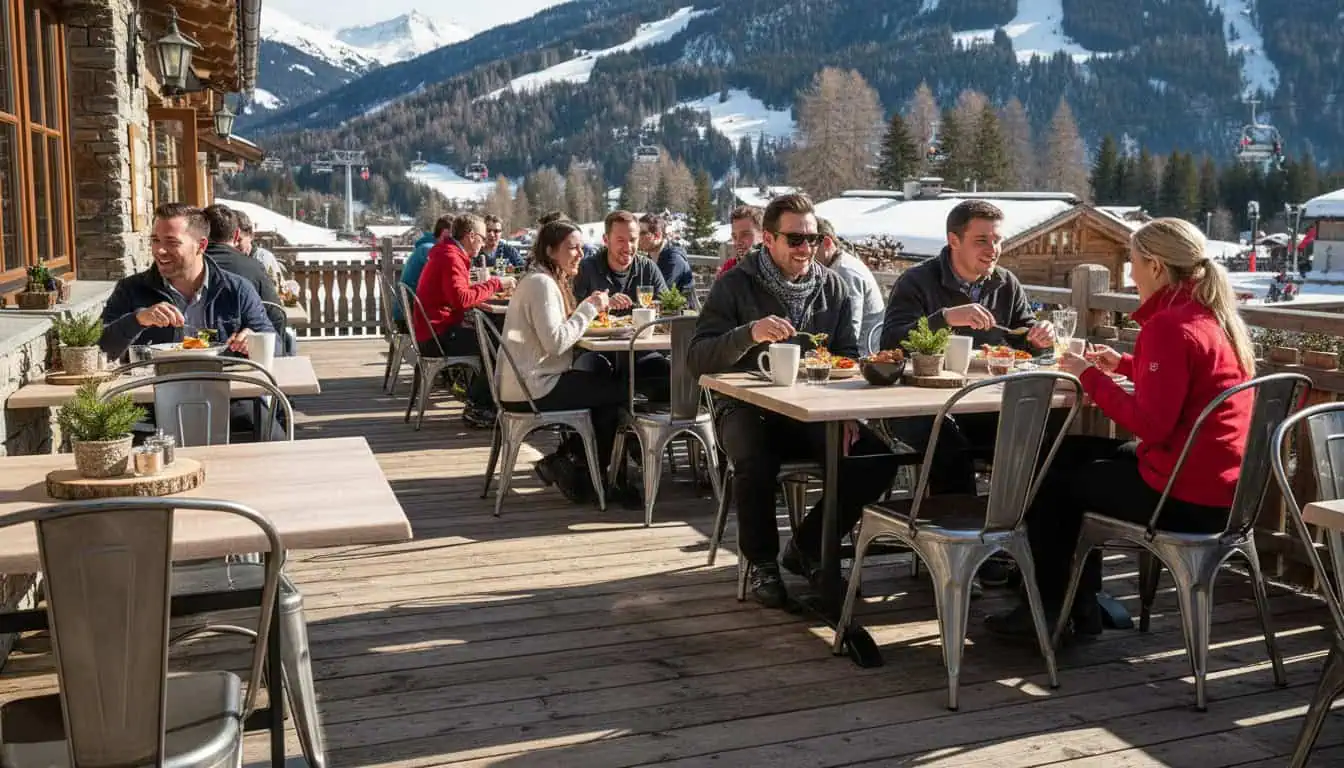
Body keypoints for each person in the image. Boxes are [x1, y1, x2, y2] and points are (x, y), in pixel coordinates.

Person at [988, 218, 1257, 640]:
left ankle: (1048, 612)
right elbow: (1186, 382)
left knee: (1052, 485)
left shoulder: (1168, 326)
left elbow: (1151, 426)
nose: (1130, 276)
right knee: (1065, 452)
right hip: (1221, 490)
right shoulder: (1211, 317)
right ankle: (1080, 605)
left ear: (1156, 266)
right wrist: (1126, 365)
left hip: (1182, 496)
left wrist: (1089, 376)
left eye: (1133, 263)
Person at [688, 193, 901, 609]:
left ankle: (807, 546)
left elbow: (846, 355)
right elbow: (698, 358)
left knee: (875, 458)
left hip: (813, 410)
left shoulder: (834, 287)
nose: (806, 248)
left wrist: (847, 412)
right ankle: (762, 562)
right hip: (746, 408)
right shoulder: (735, 285)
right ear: (768, 239)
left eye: (813, 238)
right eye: (796, 239)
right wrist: (749, 334)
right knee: (755, 458)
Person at [879, 200, 1055, 496]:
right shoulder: (917, 280)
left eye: (997, 240)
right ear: (954, 240)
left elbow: (1023, 336)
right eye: (981, 240)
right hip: (918, 404)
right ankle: (956, 524)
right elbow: (890, 345)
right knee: (948, 444)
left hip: (982, 401)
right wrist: (945, 318)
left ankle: (1020, 519)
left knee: (1038, 436)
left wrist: (1039, 337)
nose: (993, 249)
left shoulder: (1005, 282)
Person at [100, 203, 277, 439]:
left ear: (201, 245)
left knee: (274, 438)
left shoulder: (236, 289)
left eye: (171, 242)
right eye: (155, 240)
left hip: (229, 399)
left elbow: (275, 344)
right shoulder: (131, 290)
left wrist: (253, 339)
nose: (160, 250)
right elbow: (99, 349)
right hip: (149, 406)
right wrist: (137, 319)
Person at [497, 220, 630, 503]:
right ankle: (581, 468)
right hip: (534, 388)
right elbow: (556, 343)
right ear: (550, 251)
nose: (580, 254)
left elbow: (555, 332)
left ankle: (575, 464)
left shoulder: (540, 279)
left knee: (603, 380)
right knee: (621, 393)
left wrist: (587, 310)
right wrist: (589, 309)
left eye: (581, 247)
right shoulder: (542, 284)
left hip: (524, 383)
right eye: (572, 248)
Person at [412, 213, 517, 427]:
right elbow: (461, 299)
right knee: (499, 346)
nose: (484, 243)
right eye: (482, 237)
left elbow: (457, 295)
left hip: (432, 330)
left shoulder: (446, 252)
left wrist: (478, 293)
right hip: (437, 337)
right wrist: (496, 283)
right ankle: (478, 407)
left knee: (493, 337)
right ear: (470, 236)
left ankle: (473, 394)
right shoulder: (451, 257)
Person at [573, 210, 671, 402]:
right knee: (594, 376)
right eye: (620, 240)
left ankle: (645, 421)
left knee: (668, 374)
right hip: (594, 351)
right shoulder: (586, 269)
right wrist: (600, 304)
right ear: (606, 240)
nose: (628, 247)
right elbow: (570, 313)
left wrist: (654, 308)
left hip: (639, 352)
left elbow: (667, 307)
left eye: (632, 240)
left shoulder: (647, 268)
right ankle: (604, 421)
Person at [816, 218, 885, 356]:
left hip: (861, 356)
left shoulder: (845, 271)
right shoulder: (840, 265)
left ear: (826, 243)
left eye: (811, 242)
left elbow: (851, 330)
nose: (805, 250)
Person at [396, 213, 454, 332]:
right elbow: (446, 278)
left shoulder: (427, 246)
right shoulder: (429, 249)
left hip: (409, 310)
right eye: (455, 235)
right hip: (410, 315)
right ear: (445, 233)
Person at [638, 213, 695, 299]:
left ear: (657, 235)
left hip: (681, 307)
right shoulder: (648, 259)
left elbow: (662, 294)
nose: (637, 237)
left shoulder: (674, 259)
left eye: (642, 233)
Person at [716, 205, 763, 278]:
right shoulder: (729, 268)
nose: (738, 242)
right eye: (734, 236)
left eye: (745, 234)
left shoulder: (775, 266)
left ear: (763, 235)